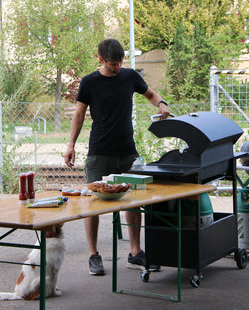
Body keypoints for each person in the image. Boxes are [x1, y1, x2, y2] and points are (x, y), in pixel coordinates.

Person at [64, 38, 170, 275]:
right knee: (93, 204)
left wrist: (161, 104)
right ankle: (93, 255)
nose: (118, 67)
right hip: (99, 151)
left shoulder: (130, 76)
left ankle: (135, 252)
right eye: (113, 63)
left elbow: (151, 94)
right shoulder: (90, 82)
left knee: (132, 201)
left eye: (120, 61)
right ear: (100, 60)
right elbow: (79, 115)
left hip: (127, 151)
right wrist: (70, 144)